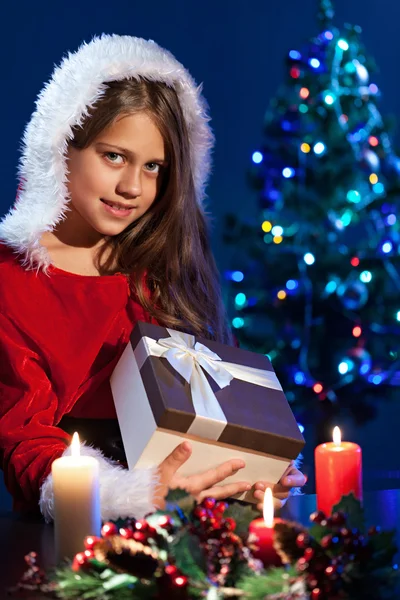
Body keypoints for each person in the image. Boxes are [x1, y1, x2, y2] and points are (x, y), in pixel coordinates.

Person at [0, 34, 306, 523]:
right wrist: (129, 494)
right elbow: (23, 441)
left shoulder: (162, 264)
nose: (132, 188)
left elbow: (207, 398)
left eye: (154, 167)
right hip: (73, 531)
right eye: (114, 156)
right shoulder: (13, 278)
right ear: (62, 146)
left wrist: (250, 465)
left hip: (185, 522)